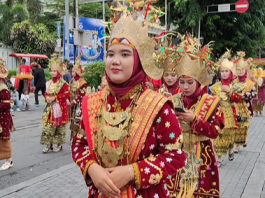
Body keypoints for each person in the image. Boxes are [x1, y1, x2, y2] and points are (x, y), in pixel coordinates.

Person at [71, 12, 186, 198]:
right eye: (110, 54)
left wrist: (133, 172)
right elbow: (79, 144)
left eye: (125, 54)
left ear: (139, 61)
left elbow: (176, 156)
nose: (115, 61)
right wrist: (92, 169)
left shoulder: (158, 106)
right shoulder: (92, 102)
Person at [170, 35, 224, 198]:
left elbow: (216, 132)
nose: (185, 87)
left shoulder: (212, 102)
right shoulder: (173, 100)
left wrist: (194, 120)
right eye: (181, 82)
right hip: (177, 158)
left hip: (202, 159)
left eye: (190, 82)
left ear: (199, 82)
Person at [210, 51, 239, 167]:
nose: (224, 73)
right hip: (219, 115)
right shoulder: (215, 86)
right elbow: (210, 100)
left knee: (230, 136)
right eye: (222, 71)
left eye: (226, 71)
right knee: (218, 136)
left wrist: (229, 91)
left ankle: (231, 148)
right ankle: (219, 158)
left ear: (231, 72)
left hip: (230, 115)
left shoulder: (234, 86)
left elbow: (238, 99)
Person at [40, 58, 70, 153]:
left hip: (59, 108)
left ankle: (59, 144)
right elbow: (46, 93)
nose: (52, 73)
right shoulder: (49, 83)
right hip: (50, 108)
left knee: (59, 127)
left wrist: (55, 98)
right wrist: (47, 97)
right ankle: (48, 144)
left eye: (54, 71)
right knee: (48, 126)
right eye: (51, 71)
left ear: (58, 72)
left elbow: (67, 94)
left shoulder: (63, 83)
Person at [232, 52, 256, 153]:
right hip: (236, 107)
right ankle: (237, 145)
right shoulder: (233, 82)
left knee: (245, 126)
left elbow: (254, 93)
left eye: (242, 70)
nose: (240, 72)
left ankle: (244, 139)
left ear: (245, 70)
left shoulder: (249, 82)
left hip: (246, 107)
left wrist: (245, 96)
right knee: (237, 126)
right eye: (238, 70)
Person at [0, 57, 15, 170]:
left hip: (3, 117)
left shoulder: (3, 87)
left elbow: (7, 104)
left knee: (4, 138)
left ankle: (9, 161)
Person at [69, 57, 88, 141]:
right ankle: (73, 137)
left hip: (79, 105)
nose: (72, 73)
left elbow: (82, 94)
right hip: (72, 104)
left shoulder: (82, 82)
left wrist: (74, 101)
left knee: (78, 120)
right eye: (72, 71)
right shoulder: (72, 81)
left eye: (74, 71)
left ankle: (78, 136)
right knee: (72, 120)